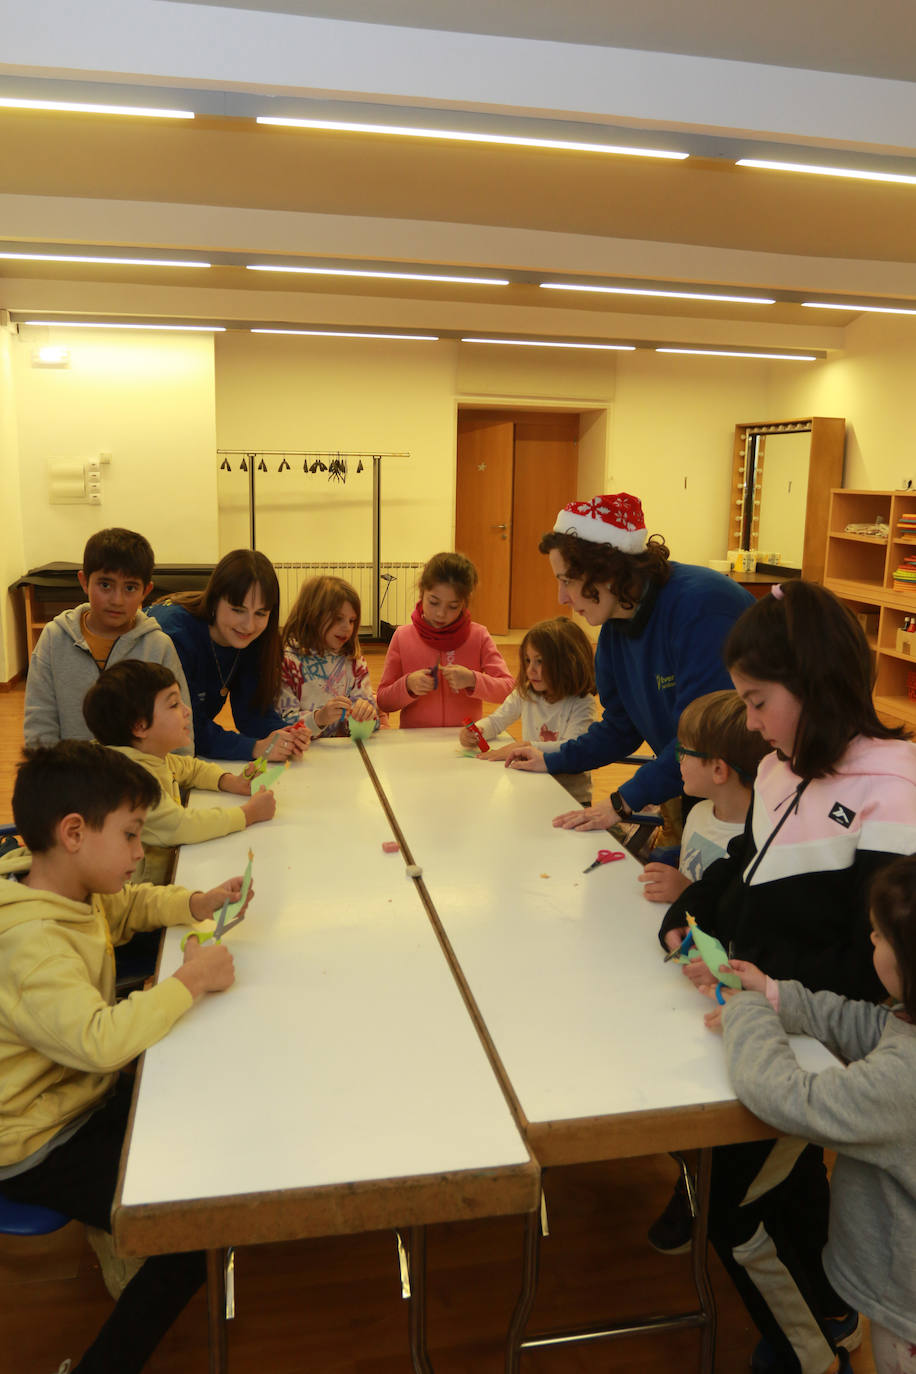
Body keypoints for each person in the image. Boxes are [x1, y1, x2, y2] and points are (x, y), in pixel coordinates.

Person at [657, 581, 916, 1374]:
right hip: (765, 1014)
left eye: (759, 700)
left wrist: (766, 986)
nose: (749, 722)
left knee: (736, 1209)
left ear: (816, 687)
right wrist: (692, 907)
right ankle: (825, 1305)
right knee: (781, 1186)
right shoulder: (778, 766)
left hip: (831, 1049)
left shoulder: (895, 787)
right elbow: (748, 863)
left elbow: (876, 959)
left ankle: (815, 1351)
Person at [0, 741, 251, 1374]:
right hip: (35, 1137)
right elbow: (100, 1040)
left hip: (75, 1090)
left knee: (192, 1104)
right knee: (193, 1227)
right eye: (133, 835)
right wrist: (188, 981)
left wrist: (194, 903)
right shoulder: (30, 943)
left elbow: (131, 906)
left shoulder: (68, 885)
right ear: (75, 833)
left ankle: (116, 1224)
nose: (142, 852)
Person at [706, 855, 916, 1374]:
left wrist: (747, 1014)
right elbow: (867, 1024)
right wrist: (775, 995)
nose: (870, 941)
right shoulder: (906, 1028)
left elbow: (786, 1097)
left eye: (880, 937)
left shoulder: (903, 1080)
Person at [504, 493, 753, 830]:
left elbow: (708, 737)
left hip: (752, 792)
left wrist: (622, 801)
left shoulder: (701, 608)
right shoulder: (614, 630)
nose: (562, 598)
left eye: (567, 581)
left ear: (606, 571)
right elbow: (621, 729)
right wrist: (551, 759)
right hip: (695, 780)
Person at [83, 660, 277, 884]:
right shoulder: (128, 781)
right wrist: (248, 814)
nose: (187, 711)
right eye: (174, 704)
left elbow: (189, 767)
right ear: (140, 726)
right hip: (135, 899)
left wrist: (230, 781)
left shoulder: (146, 757)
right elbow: (181, 826)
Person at [24, 527, 192, 751]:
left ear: (146, 591)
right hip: (72, 778)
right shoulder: (54, 639)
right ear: (84, 582)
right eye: (105, 585)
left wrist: (174, 784)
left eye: (130, 587)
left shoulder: (158, 646)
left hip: (142, 780)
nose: (117, 600)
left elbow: (180, 726)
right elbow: (39, 726)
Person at [148, 549, 307, 764]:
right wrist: (255, 748)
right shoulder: (174, 637)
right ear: (214, 600)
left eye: (261, 613)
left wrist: (285, 734)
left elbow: (252, 714)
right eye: (238, 610)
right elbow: (186, 728)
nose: (249, 625)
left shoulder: (254, 639)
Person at [639, 689, 769, 905]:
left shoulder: (759, 840)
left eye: (684, 750)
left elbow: (740, 916)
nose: (678, 759)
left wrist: (687, 892)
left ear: (718, 770)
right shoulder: (698, 813)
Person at [459, 617, 596, 804]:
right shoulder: (526, 693)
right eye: (528, 660)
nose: (531, 670)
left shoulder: (581, 703)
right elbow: (497, 720)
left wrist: (523, 747)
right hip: (531, 788)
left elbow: (571, 748)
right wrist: (477, 731)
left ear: (567, 664)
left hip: (571, 798)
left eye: (540, 661)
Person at [376, 551, 514, 727]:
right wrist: (408, 685)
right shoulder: (403, 636)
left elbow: (508, 689)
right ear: (421, 592)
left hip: (464, 743)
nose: (441, 614)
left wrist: (473, 680)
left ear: (464, 602)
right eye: (433, 602)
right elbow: (383, 701)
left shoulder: (478, 636)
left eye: (453, 606)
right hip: (415, 743)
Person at [276, 575, 381, 738]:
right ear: (312, 616)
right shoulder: (289, 662)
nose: (347, 627)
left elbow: (371, 724)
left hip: (343, 755)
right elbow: (282, 724)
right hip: (301, 755)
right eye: (338, 618)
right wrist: (319, 719)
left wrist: (366, 717)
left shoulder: (354, 662)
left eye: (352, 620)